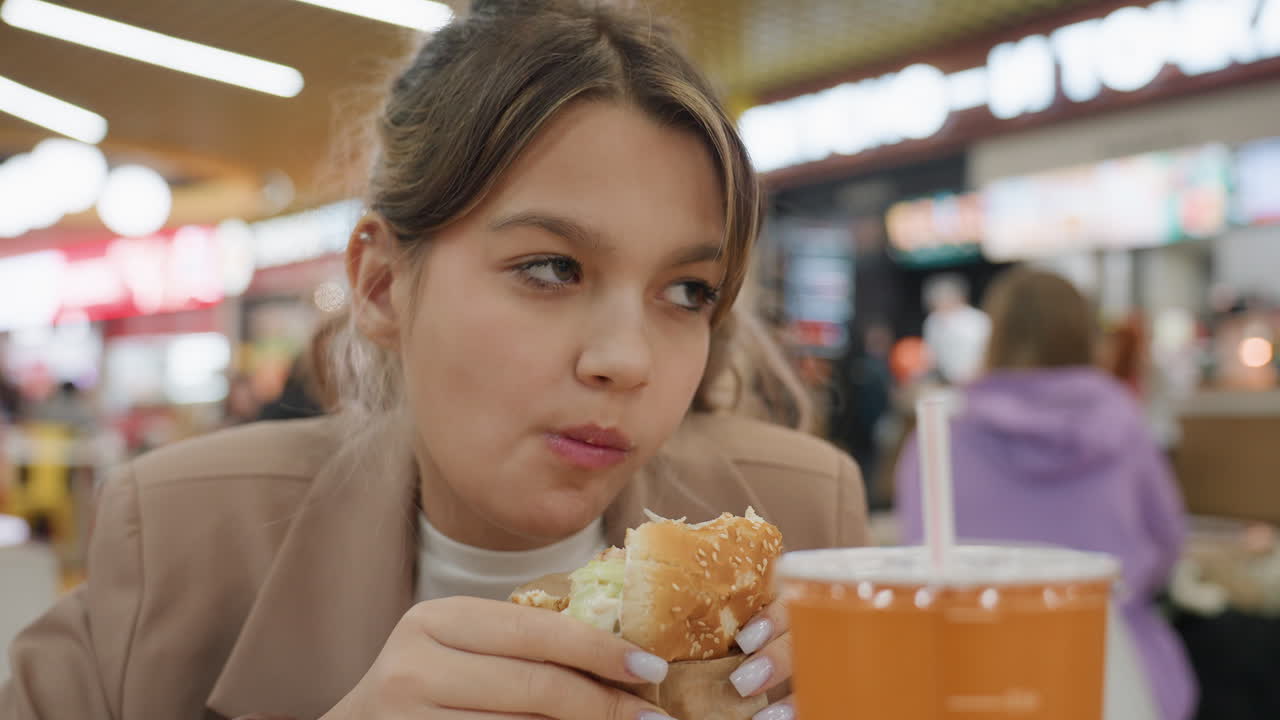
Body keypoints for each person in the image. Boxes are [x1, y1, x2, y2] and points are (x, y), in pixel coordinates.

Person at [1, 3, 869, 719]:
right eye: (550, 269)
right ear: (380, 288)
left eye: (687, 292)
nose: (626, 360)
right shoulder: (178, 538)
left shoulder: (805, 529)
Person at [895, 268, 1196, 720]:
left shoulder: (942, 435)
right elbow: (1168, 540)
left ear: (995, 332)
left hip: (967, 673)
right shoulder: (1124, 422)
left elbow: (915, 557)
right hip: (1113, 674)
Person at [921, 273, 990, 385]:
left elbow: (986, 354)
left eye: (944, 299)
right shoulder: (932, 321)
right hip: (947, 382)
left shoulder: (978, 320)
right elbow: (930, 357)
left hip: (979, 380)